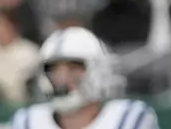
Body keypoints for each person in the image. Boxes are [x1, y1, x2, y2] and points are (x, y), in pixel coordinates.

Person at [11, 27, 160, 129]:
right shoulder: (27, 122)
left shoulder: (130, 119)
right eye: (54, 70)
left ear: (100, 71)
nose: (62, 78)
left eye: (74, 68)